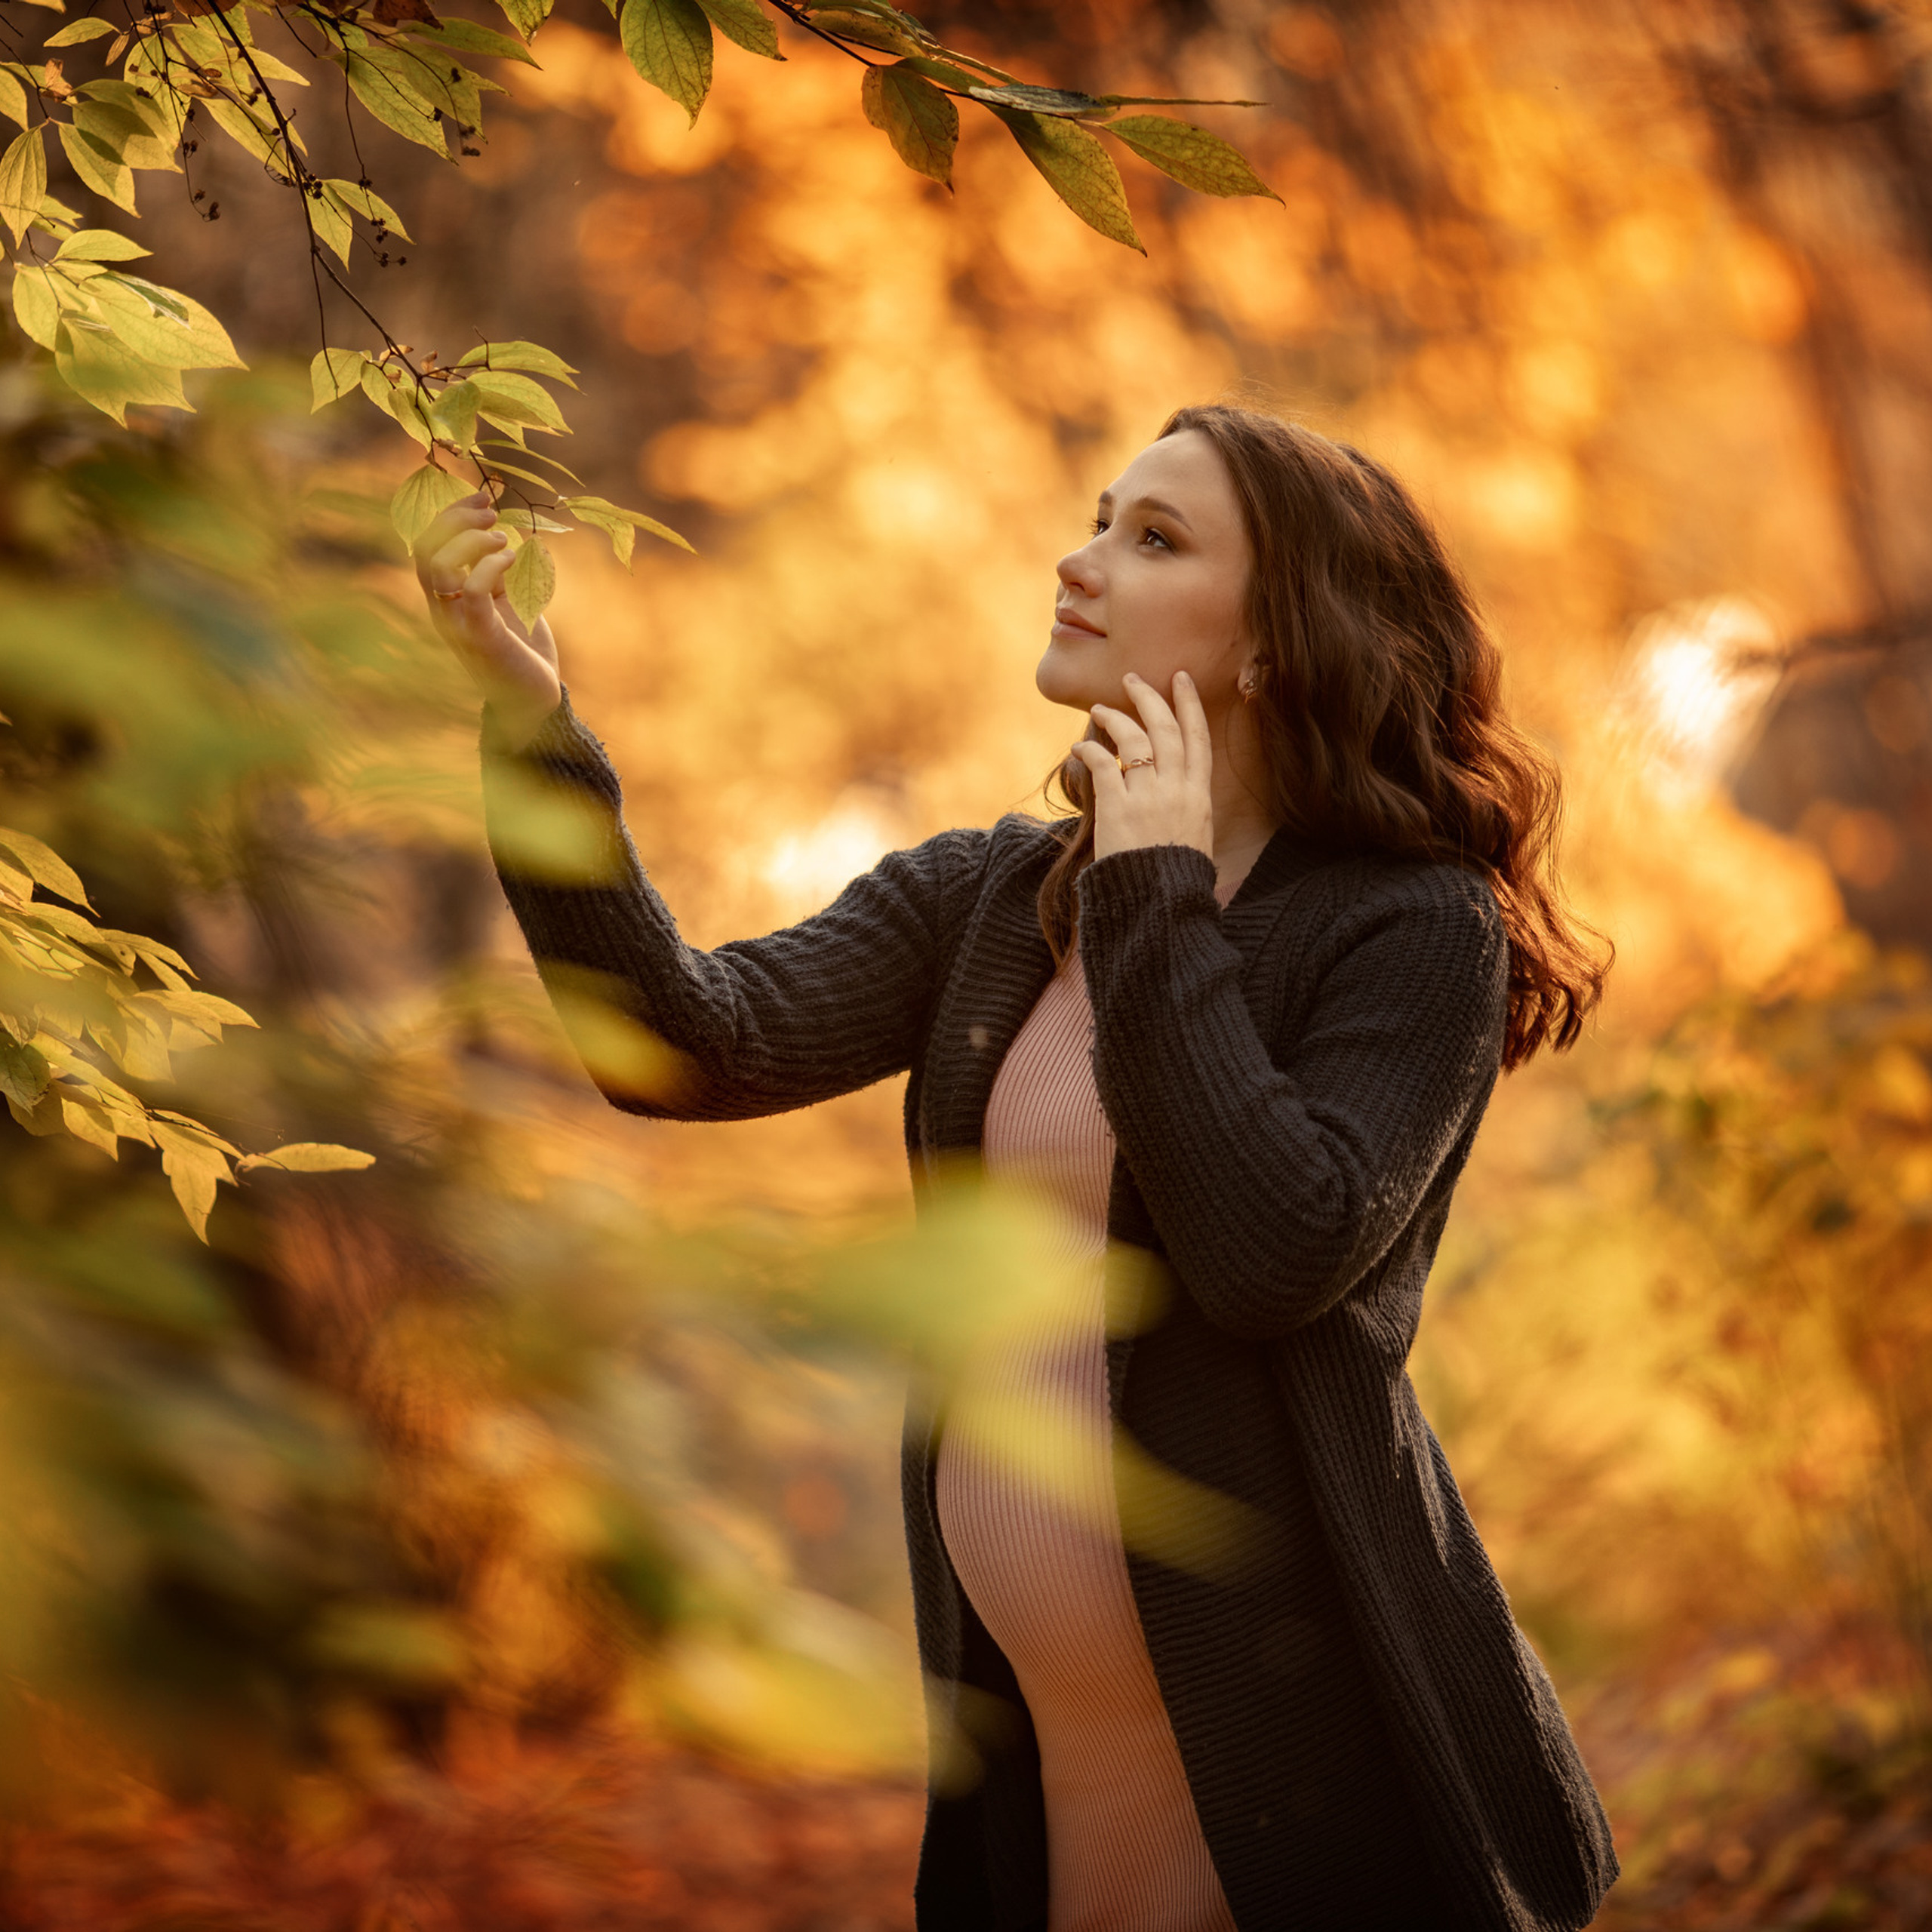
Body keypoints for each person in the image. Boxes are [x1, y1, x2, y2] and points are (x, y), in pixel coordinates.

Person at [416, 403, 1620, 1932]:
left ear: (1272, 638)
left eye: (1154, 536)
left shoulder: (1405, 928)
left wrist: (1152, 885)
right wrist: (529, 729)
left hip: (1302, 1746)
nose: (1080, 557)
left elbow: (1271, 1247)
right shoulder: (986, 902)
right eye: (1100, 515)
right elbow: (681, 1042)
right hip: (1043, 1743)